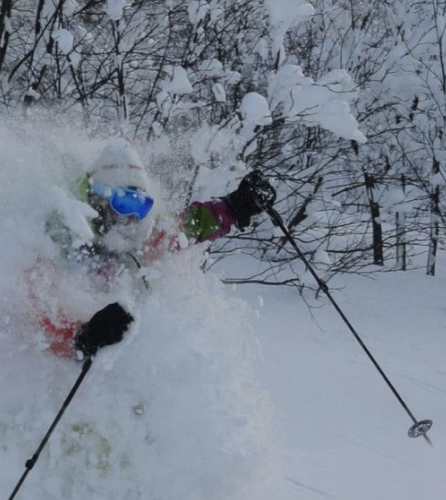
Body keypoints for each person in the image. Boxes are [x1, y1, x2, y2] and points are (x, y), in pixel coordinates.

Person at [33, 137, 276, 359]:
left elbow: (187, 226)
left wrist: (233, 208)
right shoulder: (57, 240)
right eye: (123, 203)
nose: (131, 217)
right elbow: (41, 324)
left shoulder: (137, 236)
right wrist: (86, 337)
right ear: (97, 198)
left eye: (140, 205)